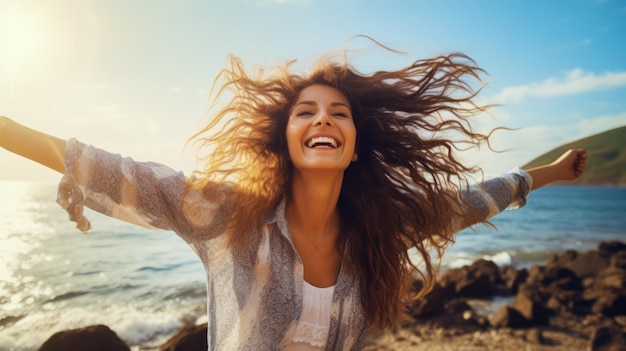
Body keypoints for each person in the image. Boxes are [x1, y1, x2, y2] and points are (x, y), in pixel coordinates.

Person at [0, 44, 587, 350]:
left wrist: (553, 172)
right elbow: (115, 170)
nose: (322, 119)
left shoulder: (384, 227)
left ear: (355, 145)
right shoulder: (227, 215)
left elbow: (475, 199)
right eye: (305, 112)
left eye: (338, 113)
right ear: (287, 141)